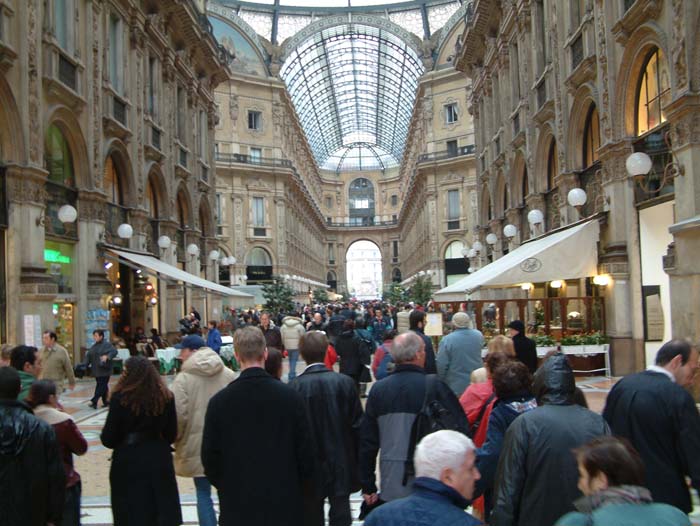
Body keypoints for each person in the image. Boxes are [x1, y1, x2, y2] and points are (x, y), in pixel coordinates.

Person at [201, 326, 317, 526]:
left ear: (237, 356)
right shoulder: (290, 398)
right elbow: (306, 453)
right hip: (284, 499)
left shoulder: (219, 402)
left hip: (238, 501)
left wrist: (227, 485)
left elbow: (210, 457)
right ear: (265, 353)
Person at [490, 353, 610, 526]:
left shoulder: (524, 424)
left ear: (539, 385)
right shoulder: (597, 422)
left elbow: (508, 486)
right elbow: (611, 477)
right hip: (586, 518)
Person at [360, 332, 468, 504]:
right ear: (418, 354)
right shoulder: (436, 387)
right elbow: (461, 431)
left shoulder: (379, 390)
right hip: (434, 480)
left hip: (392, 480)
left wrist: (368, 484)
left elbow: (368, 441)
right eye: (424, 350)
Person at [602, 339, 700, 513]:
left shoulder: (622, 386)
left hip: (621, 495)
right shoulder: (678, 397)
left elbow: (605, 434)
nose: (692, 381)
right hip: (665, 498)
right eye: (693, 371)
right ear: (677, 361)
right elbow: (693, 451)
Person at [290, 331, 363, 526]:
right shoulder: (345, 383)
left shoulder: (294, 387)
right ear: (327, 351)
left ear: (303, 354)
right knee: (341, 511)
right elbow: (357, 426)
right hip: (341, 458)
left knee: (311, 514)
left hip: (308, 464)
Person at [101, 356, 181, 526]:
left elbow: (108, 438)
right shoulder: (165, 397)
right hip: (158, 457)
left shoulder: (120, 398)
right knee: (159, 508)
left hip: (128, 459)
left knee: (130, 512)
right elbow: (171, 433)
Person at [172, 334, 235, 526]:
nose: (180, 355)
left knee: (202, 492)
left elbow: (178, 415)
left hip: (196, 446)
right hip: (226, 444)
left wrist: (177, 439)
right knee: (226, 492)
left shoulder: (183, 379)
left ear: (192, 351)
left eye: (182, 351)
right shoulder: (228, 374)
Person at [555, 436, 690, 526]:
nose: (580, 485)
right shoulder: (675, 517)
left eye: (582, 475)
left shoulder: (580, 523)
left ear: (601, 479)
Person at [364, 430, 481, 526]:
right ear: (448, 476)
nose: (477, 475)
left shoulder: (378, 518)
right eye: (470, 469)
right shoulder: (468, 523)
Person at [0, 367, 65, 526]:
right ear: (20, 388)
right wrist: (53, 516)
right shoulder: (41, 428)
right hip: (33, 512)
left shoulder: (41, 428)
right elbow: (55, 476)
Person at [473, 361, 537, 521]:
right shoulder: (540, 406)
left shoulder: (501, 413)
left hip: (508, 486)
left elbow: (493, 454)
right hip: (538, 484)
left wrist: (474, 488)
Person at [27, 380, 88, 526]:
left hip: (33, 484)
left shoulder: (26, 420)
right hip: (64, 482)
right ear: (51, 398)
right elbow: (81, 448)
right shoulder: (63, 421)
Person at [437, 312, 484, 395]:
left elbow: (441, 364)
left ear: (454, 323)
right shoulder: (478, 335)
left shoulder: (447, 340)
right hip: (477, 382)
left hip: (456, 385)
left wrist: (441, 380)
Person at [83, 329, 117, 409]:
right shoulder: (94, 346)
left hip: (104, 369)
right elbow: (89, 356)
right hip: (96, 370)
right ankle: (106, 401)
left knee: (101, 385)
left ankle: (94, 400)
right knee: (102, 385)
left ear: (101, 336)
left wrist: (107, 357)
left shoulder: (107, 345)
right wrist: (84, 365)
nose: (94, 337)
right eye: (94, 336)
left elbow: (114, 351)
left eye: (96, 336)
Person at [335, 319, 369, 391]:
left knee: (345, 387)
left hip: (343, 365)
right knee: (355, 387)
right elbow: (362, 353)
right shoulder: (357, 339)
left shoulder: (339, 339)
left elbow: (337, 351)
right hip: (356, 366)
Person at [281, 313, 306, 380]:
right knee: (294, 360)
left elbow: (282, 336)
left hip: (287, 345)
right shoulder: (299, 326)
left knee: (290, 359)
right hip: (296, 346)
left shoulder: (283, 326)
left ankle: (292, 373)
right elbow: (303, 336)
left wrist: (284, 344)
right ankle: (291, 375)